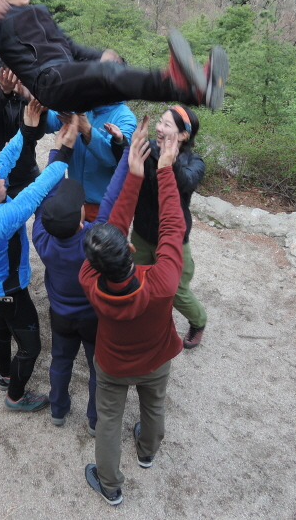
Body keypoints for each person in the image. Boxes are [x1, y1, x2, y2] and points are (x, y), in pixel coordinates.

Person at [0, 0, 228, 114]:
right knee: (108, 73)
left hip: (69, 78)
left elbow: (70, 47)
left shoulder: (40, 11)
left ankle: (196, 93)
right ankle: (177, 79)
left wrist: (99, 56)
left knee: (120, 83)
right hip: (48, 82)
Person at [80, 118, 184, 506]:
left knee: (109, 420)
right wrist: (162, 171)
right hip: (156, 359)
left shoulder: (89, 277)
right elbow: (172, 228)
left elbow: (112, 229)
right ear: (131, 250)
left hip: (112, 364)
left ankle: (110, 485)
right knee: (153, 405)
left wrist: (135, 175)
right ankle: (147, 452)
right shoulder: (162, 283)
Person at [0, 102, 78, 412]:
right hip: (10, 289)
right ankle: (15, 395)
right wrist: (62, 153)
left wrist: (26, 129)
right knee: (31, 345)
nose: (0, 178)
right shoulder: (1, 221)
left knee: (1, 327)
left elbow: (3, 159)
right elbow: (37, 190)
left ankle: (5, 374)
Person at [31, 136, 129, 434]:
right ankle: (95, 421)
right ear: (81, 219)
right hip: (92, 317)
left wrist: (58, 152)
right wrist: (125, 153)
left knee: (61, 361)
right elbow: (111, 198)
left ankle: (58, 410)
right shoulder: (93, 241)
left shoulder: (41, 236)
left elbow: (46, 193)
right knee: (97, 367)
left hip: (60, 315)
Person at [132, 105, 207, 348]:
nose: (159, 128)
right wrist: (120, 141)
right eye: (160, 122)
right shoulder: (149, 149)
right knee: (136, 278)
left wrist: (169, 161)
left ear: (183, 134)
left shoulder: (195, 162)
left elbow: (186, 183)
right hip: (142, 232)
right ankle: (143, 316)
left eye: (167, 125)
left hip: (173, 240)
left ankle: (198, 321)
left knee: (176, 290)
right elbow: (127, 162)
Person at [0, 54, 49, 197]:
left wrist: (35, 103)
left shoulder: (30, 98)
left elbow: (36, 134)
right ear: (2, 74)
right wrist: (5, 91)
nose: (18, 78)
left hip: (26, 174)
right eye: (13, 73)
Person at [46, 104, 137, 221]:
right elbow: (53, 120)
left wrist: (87, 131)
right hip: (75, 201)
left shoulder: (125, 118)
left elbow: (112, 158)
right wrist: (39, 105)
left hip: (103, 207)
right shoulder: (82, 104)